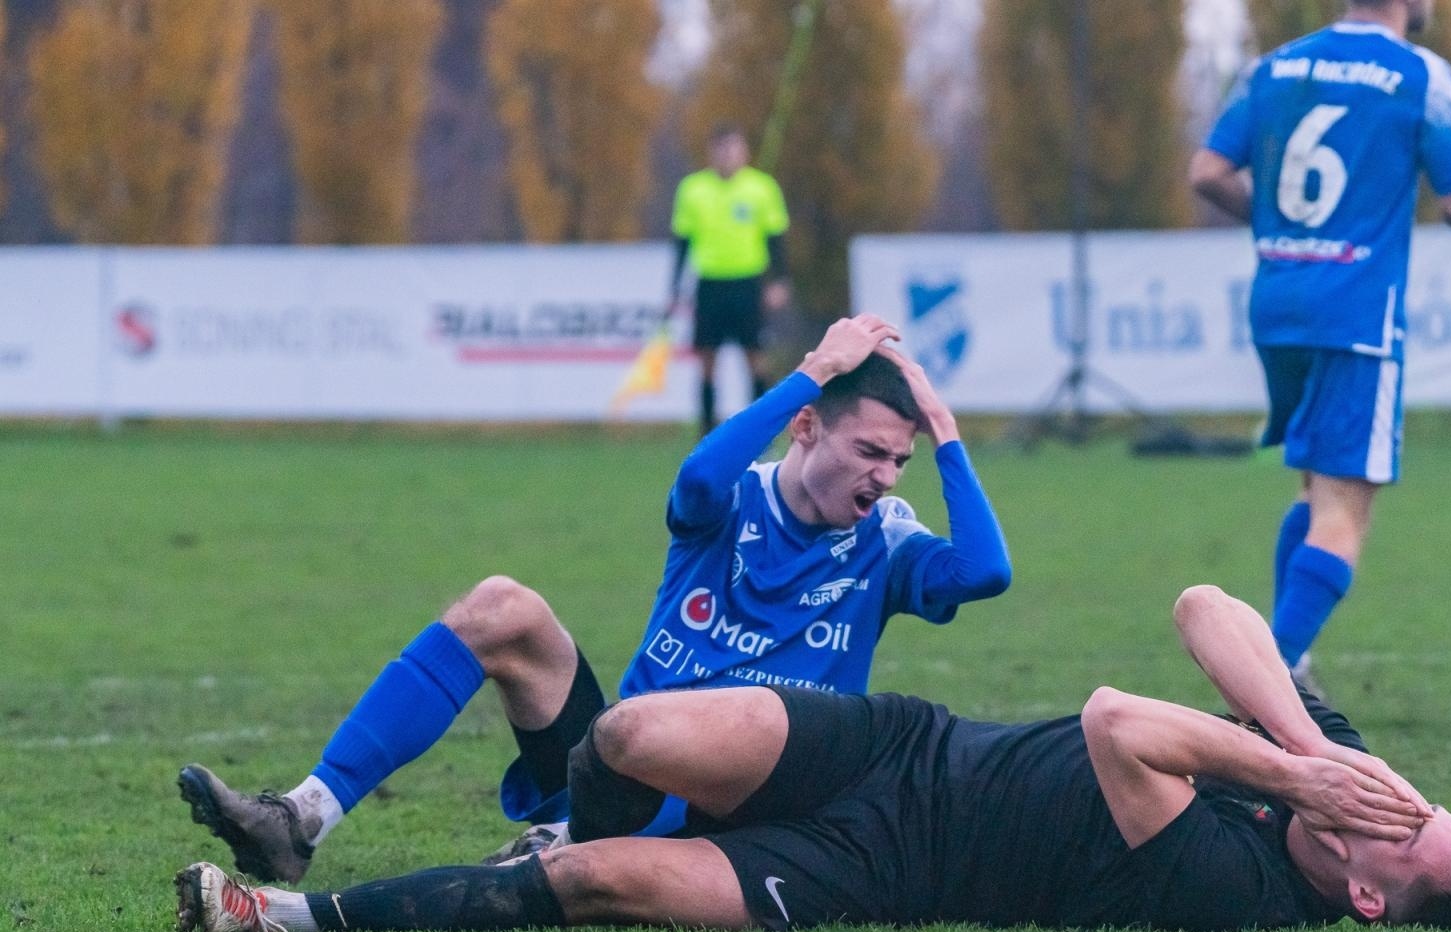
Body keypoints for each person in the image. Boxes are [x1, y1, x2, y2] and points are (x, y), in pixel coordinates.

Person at [177, 313, 1011, 885]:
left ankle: (572, 843)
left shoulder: (887, 540)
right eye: (871, 450)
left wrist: (942, 427)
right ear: (804, 426)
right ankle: (302, 819)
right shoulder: (730, 498)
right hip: (616, 762)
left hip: (742, 805)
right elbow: (694, 478)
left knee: (671, 740)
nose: (885, 476)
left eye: (897, 460)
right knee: (502, 605)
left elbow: (985, 570)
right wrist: (812, 371)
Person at [175, 585, 1451, 932]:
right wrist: (1319, 746)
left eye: (1406, 828)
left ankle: (284, 912)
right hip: (902, 739)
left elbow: (1116, 719)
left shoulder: (1245, 889)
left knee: (600, 884)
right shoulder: (1340, 780)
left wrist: (1291, 775)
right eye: (1422, 798)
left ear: (1371, 893)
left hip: (880, 863)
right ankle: (538, 820)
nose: (1395, 801)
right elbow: (1208, 606)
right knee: (626, 735)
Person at [1188, 0, 1451, 680]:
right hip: (1358, 314)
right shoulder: (1421, 73)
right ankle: (1265, 680)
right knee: (1344, 510)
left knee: (1315, 487)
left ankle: (1290, 660)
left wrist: (1268, 218)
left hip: (1278, 302)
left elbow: (1206, 171)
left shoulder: (1274, 66)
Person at [668, 123, 792, 435]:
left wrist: (780, 281)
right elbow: (683, 242)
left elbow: (775, 238)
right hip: (710, 283)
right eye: (721, 149)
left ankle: (759, 431)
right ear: (711, 153)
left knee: (756, 358)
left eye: (733, 148)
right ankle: (707, 432)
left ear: (744, 152)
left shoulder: (761, 188)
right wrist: (674, 286)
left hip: (748, 283)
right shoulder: (693, 189)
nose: (727, 156)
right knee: (707, 359)